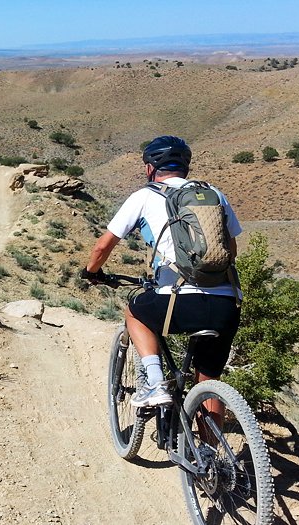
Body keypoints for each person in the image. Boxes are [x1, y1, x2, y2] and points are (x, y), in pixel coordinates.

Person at [81, 135, 242, 408]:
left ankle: (154, 382)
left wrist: (91, 272)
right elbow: (232, 250)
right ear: (185, 166)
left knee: (135, 312)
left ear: (149, 168)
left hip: (176, 298)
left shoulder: (144, 196)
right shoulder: (214, 195)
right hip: (226, 302)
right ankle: (209, 449)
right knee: (208, 380)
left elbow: (102, 248)